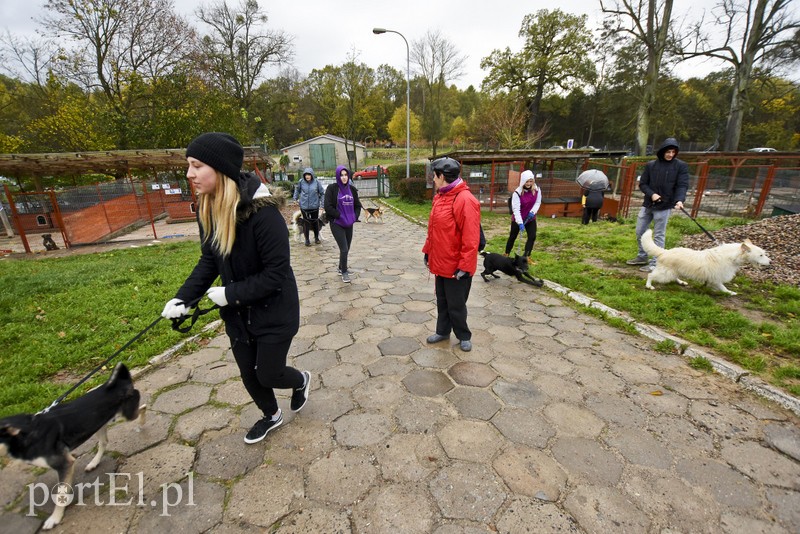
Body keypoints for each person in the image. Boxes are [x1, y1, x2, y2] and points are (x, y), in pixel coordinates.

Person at [161, 132, 310, 445]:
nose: (189, 173)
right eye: (189, 165)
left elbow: (276, 274)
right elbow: (209, 262)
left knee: (268, 373)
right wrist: (182, 299)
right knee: (248, 373)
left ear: (220, 169)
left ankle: (300, 381)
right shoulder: (209, 210)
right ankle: (271, 415)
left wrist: (230, 294)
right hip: (239, 315)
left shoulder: (264, 214)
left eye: (196, 165)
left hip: (275, 311)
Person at [423, 157, 481, 352]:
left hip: (457, 266)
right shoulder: (440, 196)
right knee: (442, 301)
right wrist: (427, 252)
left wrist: (465, 266)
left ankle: (464, 335)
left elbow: (471, 238)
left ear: (442, 176)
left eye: (435, 175)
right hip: (440, 261)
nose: (433, 179)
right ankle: (442, 331)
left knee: (456, 305)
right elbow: (434, 229)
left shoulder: (464, 200)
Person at [626, 137, 690, 272]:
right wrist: (652, 194)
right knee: (640, 231)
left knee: (659, 235)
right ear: (662, 151)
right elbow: (643, 184)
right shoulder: (651, 165)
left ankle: (655, 263)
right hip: (648, 203)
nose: (670, 155)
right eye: (668, 152)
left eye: (673, 152)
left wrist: (679, 200)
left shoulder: (680, 166)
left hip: (665, 206)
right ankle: (642, 256)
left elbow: (682, 185)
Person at [324, 165, 362, 283]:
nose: (344, 177)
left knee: (347, 247)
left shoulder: (352, 189)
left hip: (349, 223)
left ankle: (341, 267)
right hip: (337, 223)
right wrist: (339, 215)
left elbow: (357, 205)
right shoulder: (332, 188)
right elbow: (327, 206)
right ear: (337, 176)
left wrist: (354, 217)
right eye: (341, 175)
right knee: (344, 248)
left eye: (346, 175)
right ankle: (344, 272)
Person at [505, 170, 541, 258]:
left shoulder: (537, 190)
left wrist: (532, 212)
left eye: (530, 181)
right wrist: (520, 222)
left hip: (530, 218)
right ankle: (506, 254)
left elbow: (537, 202)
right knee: (513, 237)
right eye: (527, 181)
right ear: (523, 181)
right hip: (518, 219)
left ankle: (526, 256)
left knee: (532, 237)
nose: (529, 183)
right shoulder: (517, 193)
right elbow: (516, 209)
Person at [293, 167, 325, 246]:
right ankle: (307, 240)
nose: (307, 176)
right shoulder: (301, 182)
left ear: (312, 175)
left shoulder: (317, 182)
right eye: (306, 175)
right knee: (306, 223)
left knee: (315, 222)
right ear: (304, 175)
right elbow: (297, 190)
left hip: (314, 206)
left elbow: (322, 193)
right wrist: (295, 198)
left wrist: (322, 205)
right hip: (304, 206)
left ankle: (316, 238)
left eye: (309, 175)